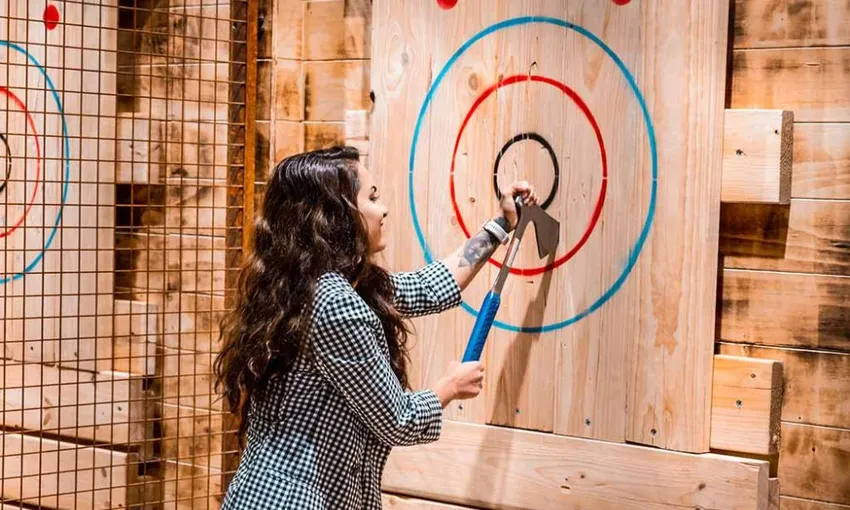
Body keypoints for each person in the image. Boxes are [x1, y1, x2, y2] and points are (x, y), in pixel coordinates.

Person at [213, 146, 538, 509]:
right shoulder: (336, 303)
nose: (382, 209)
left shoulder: (307, 283)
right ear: (335, 215)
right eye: (371, 197)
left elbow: (431, 286)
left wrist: (499, 225)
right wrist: (451, 386)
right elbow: (398, 420)